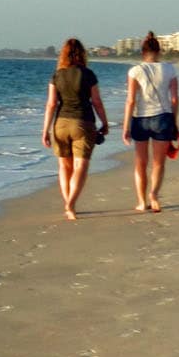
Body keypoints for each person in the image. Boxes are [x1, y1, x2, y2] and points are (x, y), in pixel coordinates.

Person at [40, 38, 109, 221]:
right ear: (82, 54)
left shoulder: (57, 75)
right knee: (80, 166)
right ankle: (71, 204)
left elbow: (51, 104)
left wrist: (45, 130)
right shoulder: (88, 74)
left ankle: (68, 203)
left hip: (61, 123)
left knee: (64, 166)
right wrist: (105, 122)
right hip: (83, 122)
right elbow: (96, 102)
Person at [122, 32, 179, 213]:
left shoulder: (135, 71)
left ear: (142, 52)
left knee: (140, 163)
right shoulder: (170, 70)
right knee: (158, 163)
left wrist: (126, 127)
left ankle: (141, 201)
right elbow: (175, 99)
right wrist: (174, 122)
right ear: (159, 51)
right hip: (163, 118)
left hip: (140, 119)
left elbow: (131, 100)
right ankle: (153, 194)